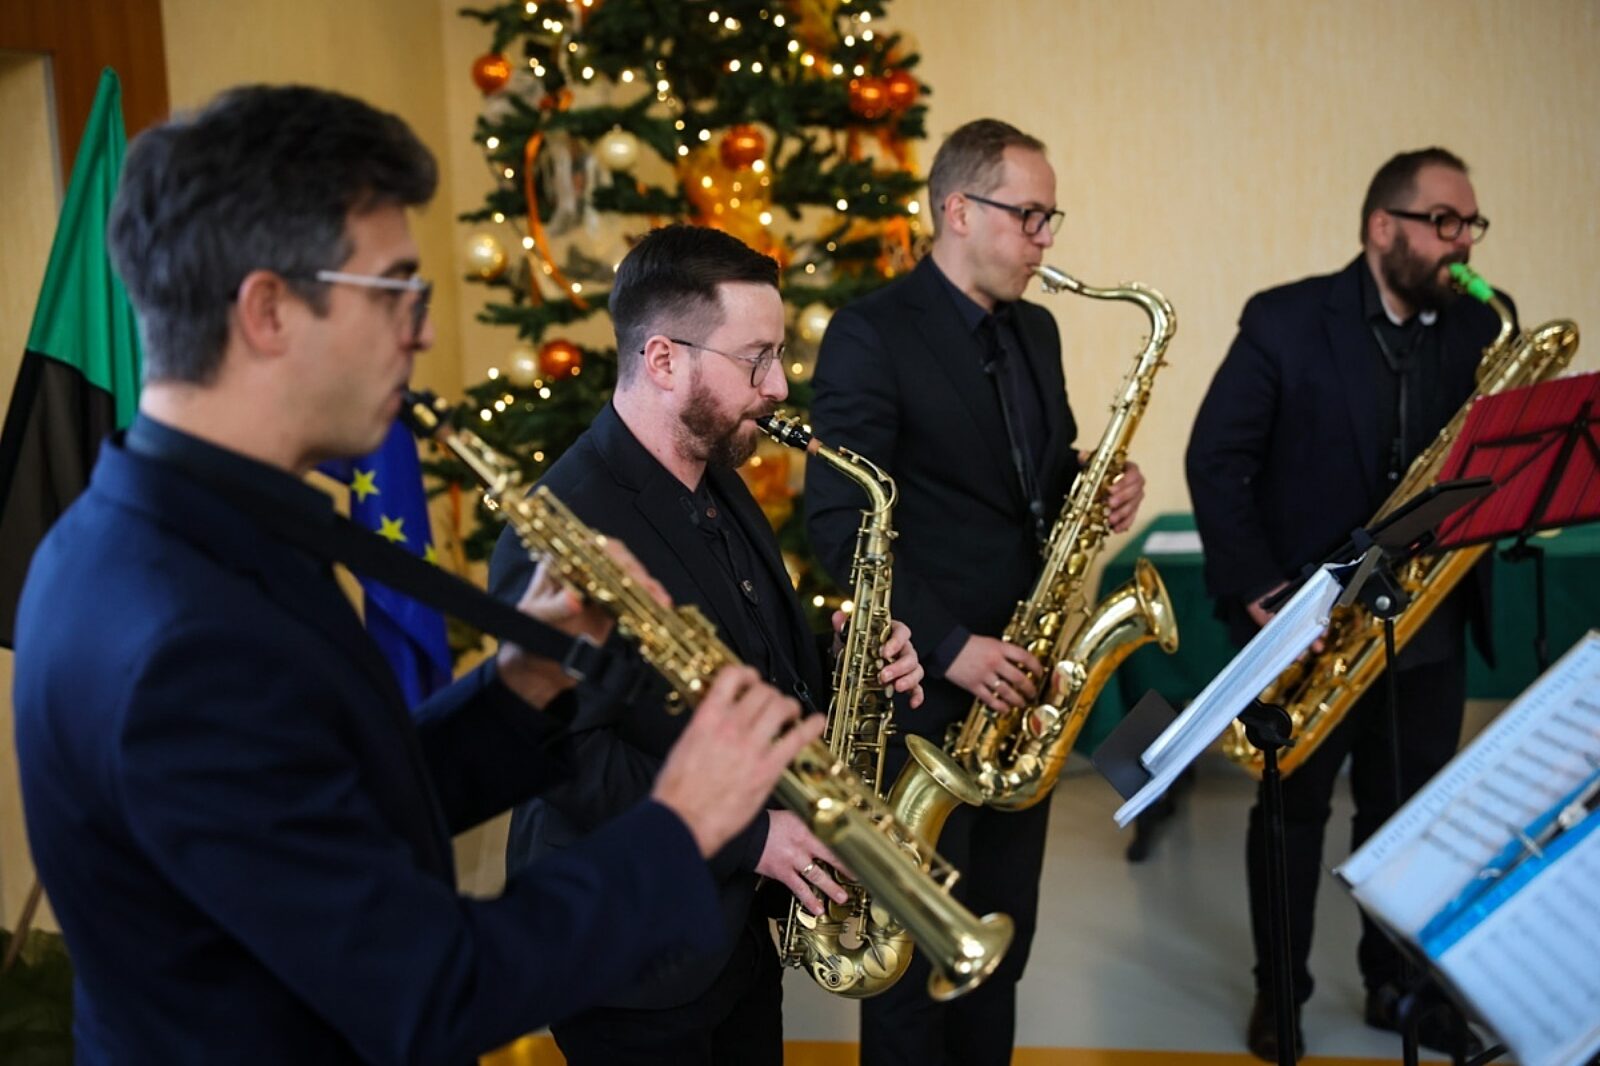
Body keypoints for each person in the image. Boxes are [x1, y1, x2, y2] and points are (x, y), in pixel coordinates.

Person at [12, 85, 823, 1065]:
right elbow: (425, 989)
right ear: (268, 309)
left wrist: (525, 683)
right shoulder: (188, 628)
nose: (424, 333)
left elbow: (346, 803)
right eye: (395, 290)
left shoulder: (184, 528)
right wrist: (682, 825)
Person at [487, 223, 926, 1066]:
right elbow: (568, 763)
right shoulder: (561, 527)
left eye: (779, 355)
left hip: (733, 937)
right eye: (756, 359)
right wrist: (754, 839)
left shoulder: (716, 477)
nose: (779, 385)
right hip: (628, 958)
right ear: (663, 359)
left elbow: (748, 661)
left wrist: (847, 664)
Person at [804, 118, 1146, 1066]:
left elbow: (1030, 477)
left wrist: (1094, 483)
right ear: (957, 210)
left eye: (1050, 217)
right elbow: (839, 520)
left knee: (1000, 940)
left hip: (1022, 684)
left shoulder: (1036, 328)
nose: (1045, 237)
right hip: (923, 688)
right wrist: (951, 645)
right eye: (1028, 214)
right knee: (913, 956)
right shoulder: (871, 332)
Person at [1186, 147, 1504, 1062]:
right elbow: (1216, 459)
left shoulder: (1475, 327)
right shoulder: (1284, 320)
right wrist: (1262, 591)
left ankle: (1400, 991)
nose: (1462, 243)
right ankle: (1280, 996)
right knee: (1291, 819)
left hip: (1426, 622)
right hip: (1308, 626)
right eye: (1444, 222)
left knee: (1407, 819)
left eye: (1471, 224)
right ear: (1382, 228)